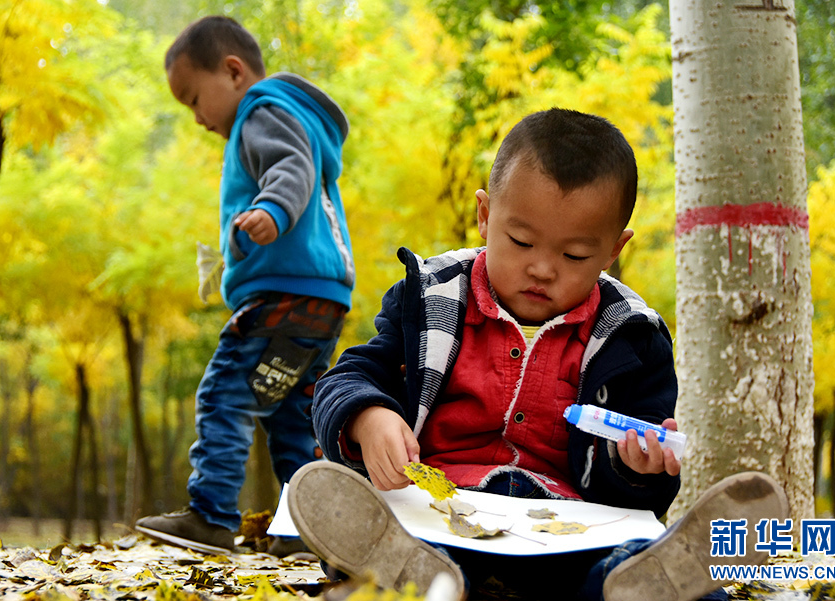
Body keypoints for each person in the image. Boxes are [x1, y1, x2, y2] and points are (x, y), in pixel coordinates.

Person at [286, 108, 789, 600]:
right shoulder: (433, 301)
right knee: (400, 536)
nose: (543, 269)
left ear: (614, 249)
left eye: (574, 256)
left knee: (624, 556)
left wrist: (637, 467)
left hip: (570, 529)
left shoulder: (632, 337)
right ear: (485, 216)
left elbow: (642, 489)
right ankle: (403, 568)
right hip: (439, 513)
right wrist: (367, 418)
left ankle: (641, 581)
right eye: (521, 241)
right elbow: (347, 376)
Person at [135, 15, 354, 556]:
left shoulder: (261, 109)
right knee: (293, 414)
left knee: (225, 395)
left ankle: (210, 514)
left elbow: (289, 164)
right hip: (321, 299)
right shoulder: (294, 115)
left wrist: (272, 211)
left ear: (233, 71)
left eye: (193, 99)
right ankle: (309, 526)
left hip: (281, 291)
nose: (195, 118)